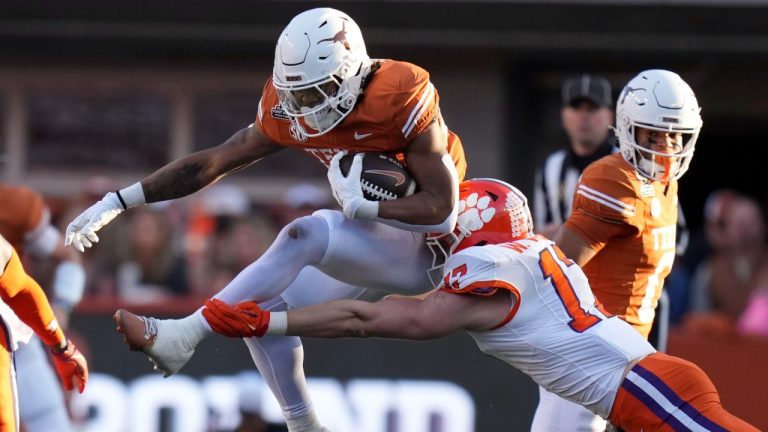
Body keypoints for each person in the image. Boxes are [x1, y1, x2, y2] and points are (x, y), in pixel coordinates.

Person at [67, 7, 465, 432]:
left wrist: (368, 207)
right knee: (259, 309)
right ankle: (304, 425)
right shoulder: (288, 103)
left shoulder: (400, 91)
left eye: (316, 93)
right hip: (370, 236)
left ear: (350, 73)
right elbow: (217, 160)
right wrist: (120, 200)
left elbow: (443, 211)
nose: (305, 108)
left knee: (305, 232)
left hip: (429, 247)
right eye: (297, 95)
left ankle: (186, 334)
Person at [194, 178, 756, 432]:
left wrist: (275, 318)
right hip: (641, 394)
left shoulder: (492, 267)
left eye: (446, 233)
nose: (437, 246)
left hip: (647, 392)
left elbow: (388, 318)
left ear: (477, 230)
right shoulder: (531, 251)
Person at [531, 69, 704, 431]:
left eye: (674, 135)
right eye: (654, 135)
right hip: (592, 353)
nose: (665, 146)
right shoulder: (614, 178)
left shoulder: (663, 185)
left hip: (631, 348)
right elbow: (557, 270)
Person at [0, 183, 87, 432]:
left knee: (49, 421)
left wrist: (61, 310)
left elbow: (22, 289)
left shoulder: (15, 207)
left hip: (13, 339)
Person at [533, 74, 614, 240]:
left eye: (592, 108)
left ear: (610, 116)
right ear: (564, 115)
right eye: (576, 108)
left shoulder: (629, 165)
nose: (584, 116)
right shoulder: (551, 167)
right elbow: (541, 229)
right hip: (563, 263)